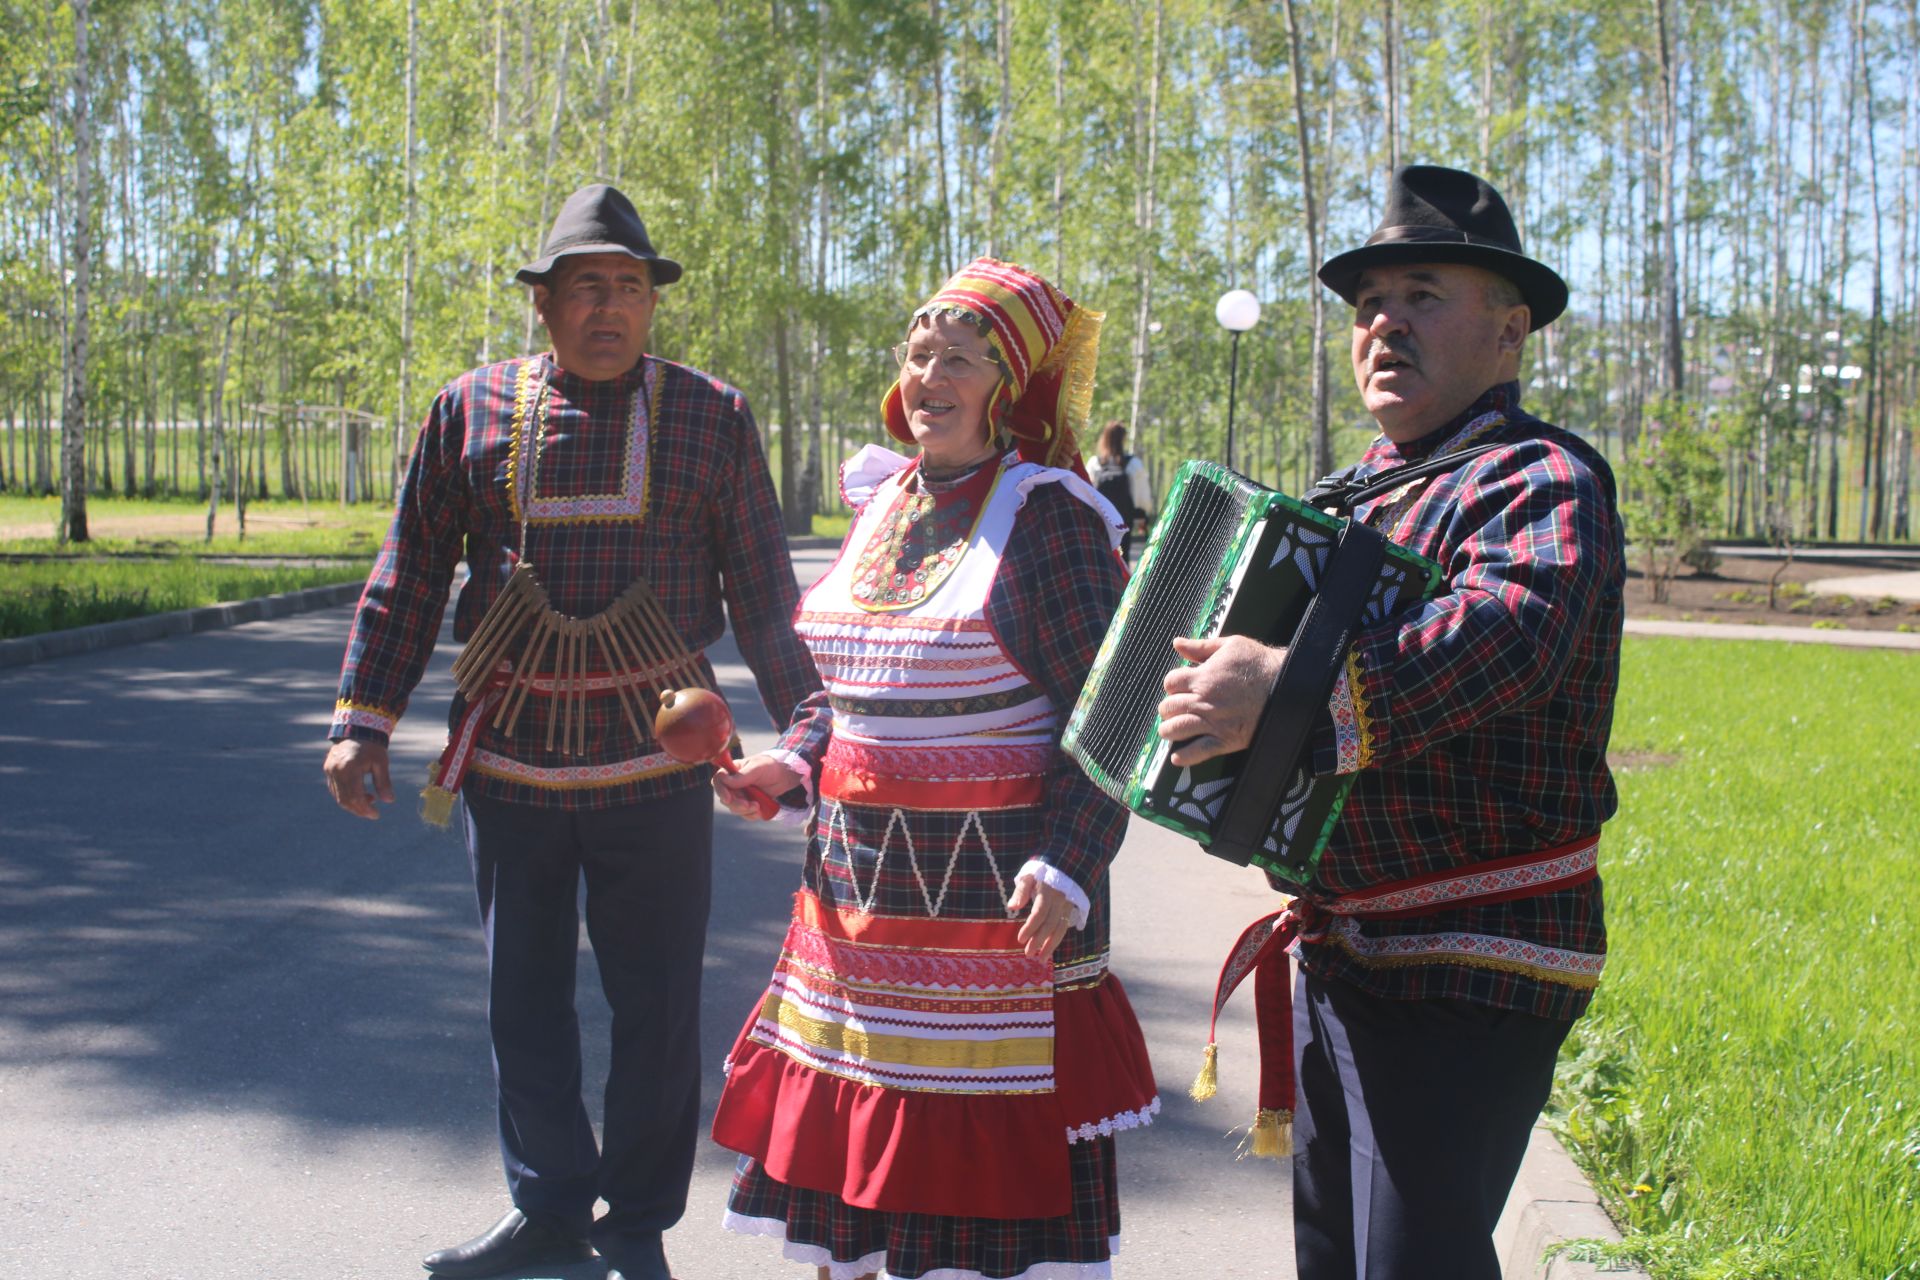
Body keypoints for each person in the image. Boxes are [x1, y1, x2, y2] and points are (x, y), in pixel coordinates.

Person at [320, 184, 826, 1280]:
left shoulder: (711, 415)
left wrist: (810, 730)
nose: (611, 307)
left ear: (654, 304)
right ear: (541, 303)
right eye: (586, 285)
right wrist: (363, 720)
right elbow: (408, 575)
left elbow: (763, 592)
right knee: (523, 996)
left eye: (631, 287)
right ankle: (547, 1204)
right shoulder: (470, 408)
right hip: (510, 763)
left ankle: (635, 1218)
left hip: (654, 771)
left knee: (656, 1002)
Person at [1157, 165, 1624, 1279]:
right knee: (1340, 1256)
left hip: (1474, 955)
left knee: (1413, 1263)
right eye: (1370, 304)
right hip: (1349, 944)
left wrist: (1283, 691)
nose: (1385, 324)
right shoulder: (1344, 496)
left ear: (1510, 331)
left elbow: (1511, 629)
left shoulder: (1540, 477)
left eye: (1423, 294)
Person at [707, 258, 1159, 1280]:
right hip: (851, 931)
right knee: (853, 1224)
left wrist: (1069, 862)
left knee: (973, 1240)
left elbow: (1117, 707)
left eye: (959, 357)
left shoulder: (1049, 519)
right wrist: (790, 761)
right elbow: (854, 691)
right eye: (917, 354)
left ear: (1013, 387)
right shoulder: (881, 501)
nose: (929, 376)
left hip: (995, 928)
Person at [1089, 420, 1154, 561]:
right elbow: (1141, 497)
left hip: (1100, 521)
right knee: (1122, 557)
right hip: (1123, 521)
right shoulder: (1133, 464)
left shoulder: (1094, 464)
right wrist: (1142, 517)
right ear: (1123, 439)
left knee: (1100, 557)